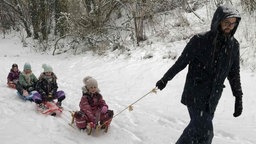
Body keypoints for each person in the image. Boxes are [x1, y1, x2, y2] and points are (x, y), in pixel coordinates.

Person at [155, 4, 243, 144]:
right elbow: (181, 63)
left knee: (198, 132)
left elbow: (234, 73)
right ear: (218, 20)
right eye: (226, 22)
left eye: (233, 23)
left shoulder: (234, 46)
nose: (230, 26)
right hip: (195, 93)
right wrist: (165, 79)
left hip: (213, 96)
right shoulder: (199, 40)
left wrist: (238, 96)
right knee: (205, 131)